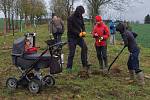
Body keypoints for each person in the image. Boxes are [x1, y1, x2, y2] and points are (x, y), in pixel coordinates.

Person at [66, 6, 90, 73]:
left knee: (85, 48)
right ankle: (69, 67)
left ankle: (85, 64)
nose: (81, 14)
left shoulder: (80, 17)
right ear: (78, 11)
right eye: (81, 13)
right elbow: (70, 29)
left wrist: (84, 31)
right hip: (72, 37)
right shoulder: (70, 18)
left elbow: (83, 25)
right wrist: (78, 33)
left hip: (79, 37)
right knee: (72, 52)